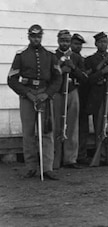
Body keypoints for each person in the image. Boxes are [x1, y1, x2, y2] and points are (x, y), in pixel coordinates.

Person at [7, 24, 62, 180]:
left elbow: (58, 78)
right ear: (29, 37)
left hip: (44, 95)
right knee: (28, 133)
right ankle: (30, 167)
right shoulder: (21, 55)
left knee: (47, 132)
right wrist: (27, 93)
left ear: (41, 37)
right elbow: (11, 79)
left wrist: (48, 94)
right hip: (27, 96)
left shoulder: (50, 56)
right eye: (33, 36)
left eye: (38, 36)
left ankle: (47, 168)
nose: (36, 39)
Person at [85, 32, 108, 167]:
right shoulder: (90, 59)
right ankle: (100, 155)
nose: (103, 45)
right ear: (96, 44)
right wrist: (102, 70)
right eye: (100, 42)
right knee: (100, 126)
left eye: (105, 42)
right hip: (98, 97)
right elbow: (88, 79)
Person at [53, 30, 87, 169]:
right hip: (57, 92)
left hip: (72, 92)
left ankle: (70, 159)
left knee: (72, 126)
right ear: (58, 41)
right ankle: (56, 158)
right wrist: (61, 69)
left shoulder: (76, 57)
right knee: (56, 125)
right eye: (62, 40)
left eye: (67, 41)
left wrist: (73, 68)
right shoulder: (52, 56)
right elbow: (49, 76)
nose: (65, 43)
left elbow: (84, 78)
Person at [71, 33, 92, 164]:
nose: (77, 46)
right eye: (75, 44)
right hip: (70, 94)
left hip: (82, 96)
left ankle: (81, 154)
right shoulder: (66, 58)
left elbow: (85, 77)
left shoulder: (82, 60)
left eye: (79, 44)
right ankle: (70, 155)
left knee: (83, 127)